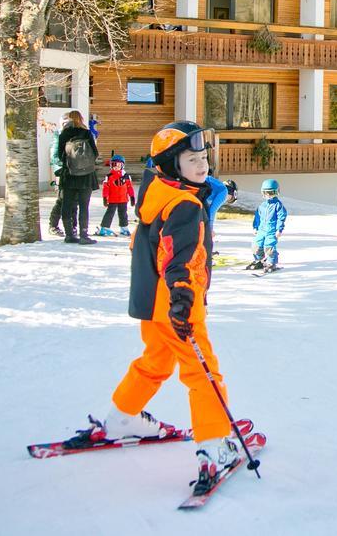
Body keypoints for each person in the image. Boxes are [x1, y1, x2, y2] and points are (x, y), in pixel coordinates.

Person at [96, 120, 243, 492]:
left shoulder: (155, 191)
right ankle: (214, 445)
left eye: (203, 157)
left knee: (155, 362)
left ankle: (122, 418)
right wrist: (182, 300)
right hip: (178, 305)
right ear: (170, 165)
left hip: (151, 303)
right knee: (202, 372)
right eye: (191, 159)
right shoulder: (184, 206)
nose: (202, 165)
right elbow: (180, 260)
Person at [56, 109, 99, 245]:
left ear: (69, 119)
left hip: (69, 175)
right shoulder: (86, 133)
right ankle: (84, 235)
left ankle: (69, 234)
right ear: (81, 119)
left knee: (67, 205)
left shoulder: (64, 134)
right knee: (84, 206)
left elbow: (59, 154)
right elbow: (95, 153)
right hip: (86, 176)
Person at [248, 179, 287, 272]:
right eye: (266, 193)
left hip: (271, 230)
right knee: (256, 246)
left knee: (269, 246)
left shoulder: (278, 205)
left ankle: (271, 262)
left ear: (277, 192)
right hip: (261, 230)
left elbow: (281, 217)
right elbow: (257, 217)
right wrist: (255, 227)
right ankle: (259, 260)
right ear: (263, 193)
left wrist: (279, 229)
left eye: (271, 192)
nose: (269, 195)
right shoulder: (262, 206)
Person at [96, 154, 136, 237]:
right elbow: (105, 188)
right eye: (114, 164)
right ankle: (105, 227)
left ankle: (124, 228)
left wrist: (132, 197)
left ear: (122, 166)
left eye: (118, 165)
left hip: (123, 199)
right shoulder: (109, 176)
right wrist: (105, 198)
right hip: (112, 199)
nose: (116, 167)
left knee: (123, 214)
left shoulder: (126, 176)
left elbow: (129, 187)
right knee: (110, 213)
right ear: (111, 165)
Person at [47, 113, 70, 236]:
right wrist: (65, 165)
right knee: (61, 200)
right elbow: (54, 156)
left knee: (73, 201)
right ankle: (53, 225)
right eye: (64, 123)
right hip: (63, 172)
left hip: (73, 172)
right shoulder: (58, 135)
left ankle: (72, 226)